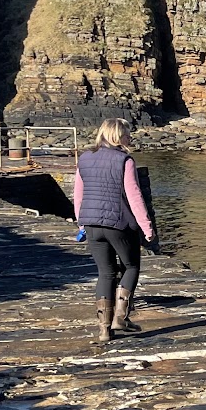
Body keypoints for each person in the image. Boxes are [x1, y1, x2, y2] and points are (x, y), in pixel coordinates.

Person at [73, 118, 157, 342]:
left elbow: (78, 194)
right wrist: (146, 226)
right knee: (130, 266)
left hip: (91, 224)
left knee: (106, 273)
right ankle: (121, 316)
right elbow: (134, 195)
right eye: (127, 134)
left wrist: (81, 222)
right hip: (118, 223)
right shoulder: (124, 161)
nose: (130, 139)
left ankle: (104, 330)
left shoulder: (85, 158)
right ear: (117, 136)